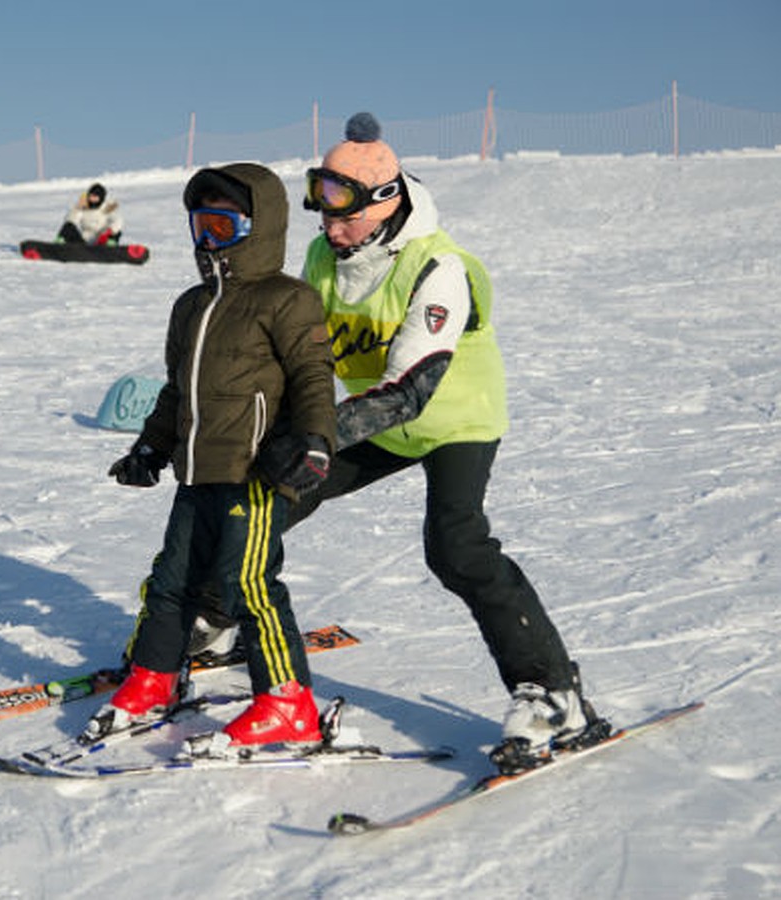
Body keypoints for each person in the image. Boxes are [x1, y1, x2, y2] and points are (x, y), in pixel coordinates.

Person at [124, 114, 609, 772]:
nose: (329, 228)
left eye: (343, 214)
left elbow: (410, 389)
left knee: (456, 547)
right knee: (264, 498)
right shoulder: (327, 256)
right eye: (322, 210)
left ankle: (552, 693)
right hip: (370, 417)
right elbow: (300, 351)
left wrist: (316, 439)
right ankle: (216, 618)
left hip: (453, 419)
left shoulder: (438, 267)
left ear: (385, 203)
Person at [84, 162, 337, 753]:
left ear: (260, 227)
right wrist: (152, 446)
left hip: (255, 470)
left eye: (222, 226)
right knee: (170, 580)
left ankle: (288, 701)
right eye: (200, 226)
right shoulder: (191, 305)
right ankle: (153, 678)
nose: (207, 241)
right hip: (196, 469)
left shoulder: (286, 299)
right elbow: (176, 389)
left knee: (249, 583)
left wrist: (315, 442)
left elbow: (312, 377)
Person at [57, 182, 124, 245]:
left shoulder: (107, 208)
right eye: (91, 196)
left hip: (101, 242)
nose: (92, 199)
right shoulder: (83, 207)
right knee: (68, 226)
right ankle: (58, 245)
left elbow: (117, 220)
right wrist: (78, 209)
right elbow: (70, 220)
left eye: (95, 197)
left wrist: (109, 231)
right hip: (85, 243)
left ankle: (111, 247)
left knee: (116, 231)